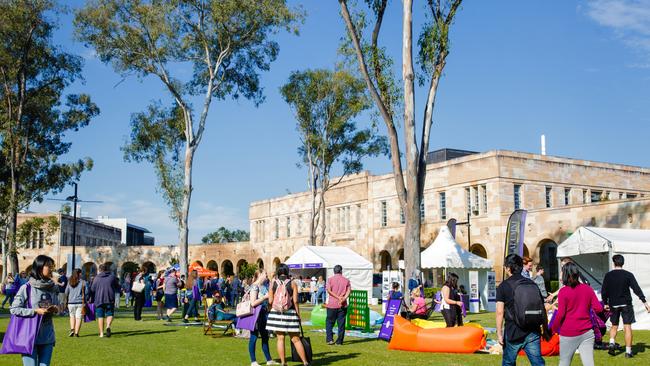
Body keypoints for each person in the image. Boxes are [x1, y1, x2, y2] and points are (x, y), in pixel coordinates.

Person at [496, 254, 545, 366]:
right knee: (538, 363)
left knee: (508, 362)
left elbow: (500, 312)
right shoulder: (532, 283)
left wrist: (499, 333)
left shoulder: (503, 286)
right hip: (532, 330)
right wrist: (545, 329)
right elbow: (542, 307)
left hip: (513, 331)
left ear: (508, 268)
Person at [11, 255, 60, 366]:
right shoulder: (26, 288)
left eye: (52, 266)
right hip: (29, 337)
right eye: (48, 266)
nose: (51, 269)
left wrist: (56, 309)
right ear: (39, 267)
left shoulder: (53, 287)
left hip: (47, 337)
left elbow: (59, 307)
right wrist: (35, 311)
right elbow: (14, 309)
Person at [551, 262, 602, 366]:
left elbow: (560, 314)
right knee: (589, 363)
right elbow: (598, 308)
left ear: (565, 274)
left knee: (564, 363)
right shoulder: (587, 289)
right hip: (587, 332)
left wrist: (553, 329)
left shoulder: (563, 292)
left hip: (568, 333)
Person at [601, 254, 650, 358]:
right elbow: (636, 289)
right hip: (626, 304)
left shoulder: (608, 275)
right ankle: (628, 352)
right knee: (627, 327)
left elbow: (604, 291)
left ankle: (611, 343)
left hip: (613, 304)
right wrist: (645, 302)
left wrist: (605, 303)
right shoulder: (628, 274)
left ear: (614, 263)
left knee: (614, 326)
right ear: (623, 263)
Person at [266, 264, 309, 366]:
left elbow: (270, 300)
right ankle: (305, 362)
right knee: (296, 339)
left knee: (280, 338)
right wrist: (298, 314)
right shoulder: (293, 283)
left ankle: (283, 362)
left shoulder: (273, 283)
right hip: (290, 313)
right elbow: (295, 301)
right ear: (287, 271)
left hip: (276, 314)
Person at [247, 269, 279, 366]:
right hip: (255, 315)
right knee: (254, 337)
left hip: (264, 314)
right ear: (260, 274)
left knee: (265, 337)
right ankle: (253, 361)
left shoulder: (264, 286)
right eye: (265, 273)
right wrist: (264, 298)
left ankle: (269, 360)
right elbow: (253, 303)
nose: (266, 275)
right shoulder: (255, 287)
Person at [91, 263, 120, 337]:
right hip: (109, 298)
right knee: (110, 314)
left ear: (100, 270)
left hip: (99, 299)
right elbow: (117, 286)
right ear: (107, 269)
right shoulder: (112, 277)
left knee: (100, 316)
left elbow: (92, 289)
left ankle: (101, 333)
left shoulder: (96, 278)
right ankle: (108, 326)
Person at [325, 264, 351, 346]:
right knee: (341, 324)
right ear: (341, 271)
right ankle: (339, 341)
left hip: (332, 304)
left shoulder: (330, 280)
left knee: (329, 322)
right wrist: (343, 298)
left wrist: (337, 297)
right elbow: (349, 291)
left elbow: (329, 291)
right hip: (342, 304)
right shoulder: (346, 280)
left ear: (334, 271)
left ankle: (330, 339)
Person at [64, 269, 86, 337]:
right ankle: (76, 332)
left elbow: (66, 292)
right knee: (78, 318)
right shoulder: (83, 282)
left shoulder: (69, 282)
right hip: (80, 302)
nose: (81, 274)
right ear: (79, 274)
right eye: (80, 273)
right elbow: (87, 292)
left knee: (72, 316)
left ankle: (72, 329)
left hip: (71, 302)